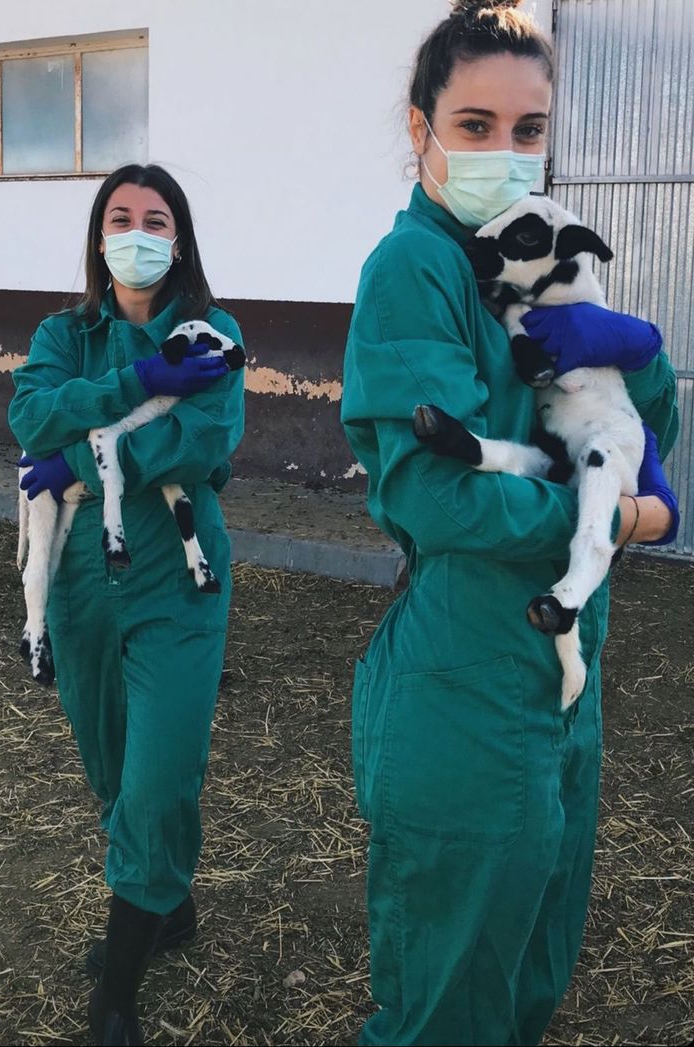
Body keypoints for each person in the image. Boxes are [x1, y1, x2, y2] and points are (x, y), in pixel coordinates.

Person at [339, 3, 679, 1045]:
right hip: (465, 679)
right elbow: (430, 494)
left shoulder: (538, 255)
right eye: (474, 125)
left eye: (527, 130)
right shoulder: (421, 269)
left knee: (532, 958)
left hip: (562, 677)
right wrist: (611, 520)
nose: (505, 152)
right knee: (450, 996)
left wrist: (641, 353)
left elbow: (637, 427)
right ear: (420, 129)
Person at [8, 163, 245, 1046]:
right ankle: (166, 900)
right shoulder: (62, 332)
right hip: (79, 581)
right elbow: (33, 417)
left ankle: (117, 987)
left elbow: (206, 437)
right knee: (109, 762)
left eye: (156, 219)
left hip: (178, 582)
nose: (138, 232)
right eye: (121, 216)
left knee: (156, 776)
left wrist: (85, 461)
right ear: (99, 234)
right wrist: (138, 381)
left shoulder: (214, 330)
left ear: (178, 238)